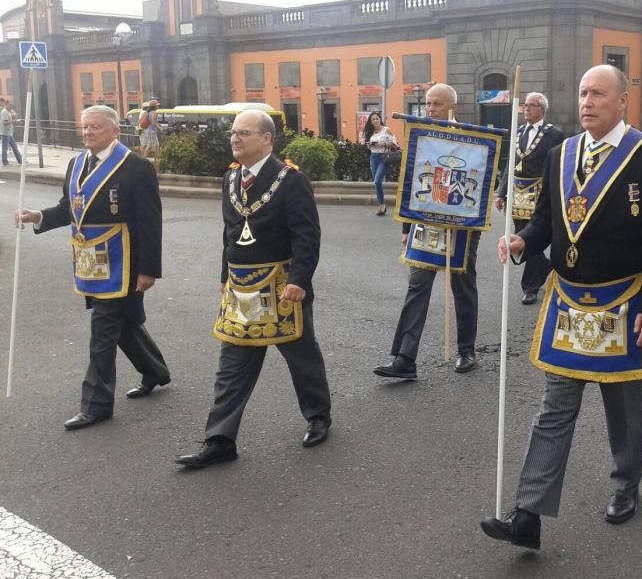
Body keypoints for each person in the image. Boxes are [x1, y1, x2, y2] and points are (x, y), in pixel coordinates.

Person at [480, 65, 642, 550]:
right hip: (568, 301)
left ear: (622, 101)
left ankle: (625, 483)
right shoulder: (560, 154)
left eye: (598, 93)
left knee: (624, 409)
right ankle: (528, 514)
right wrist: (522, 240)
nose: (587, 101)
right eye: (583, 92)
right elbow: (546, 220)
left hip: (625, 303)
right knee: (554, 410)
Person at [176, 110, 332, 468]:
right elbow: (229, 234)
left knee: (301, 357)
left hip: (281, 286)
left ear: (266, 139)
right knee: (232, 364)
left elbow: (307, 236)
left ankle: (318, 416)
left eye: (244, 133)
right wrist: (223, 275)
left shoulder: (290, 180)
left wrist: (299, 280)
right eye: (233, 133)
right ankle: (219, 440)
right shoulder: (230, 178)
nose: (235, 138)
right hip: (241, 288)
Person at [13, 106, 170, 430]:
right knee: (123, 323)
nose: (87, 133)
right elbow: (68, 209)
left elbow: (151, 222)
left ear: (114, 130)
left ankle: (96, 405)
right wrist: (38, 217)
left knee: (103, 331)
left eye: (95, 127)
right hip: (90, 262)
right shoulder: (76, 164)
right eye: (84, 127)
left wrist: (148, 269)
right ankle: (155, 371)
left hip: (122, 260)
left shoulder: (136, 167)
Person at [374, 83, 481, 378]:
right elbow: (411, 185)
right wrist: (407, 227)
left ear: (452, 107)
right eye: (428, 103)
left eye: (437, 104)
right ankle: (405, 359)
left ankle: (466, 350)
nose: (430, 109)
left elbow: (479, 181)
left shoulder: (471, 138)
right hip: (425, 223)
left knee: (463, 287)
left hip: (461, 227)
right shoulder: (420, 137)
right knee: (416, 286)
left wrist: (474, 228)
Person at [494, 92, 564, 305]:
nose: (526, 108)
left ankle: (530, 286)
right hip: (517, 193)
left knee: (533, 236)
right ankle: (544, 265)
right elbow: (510, 164)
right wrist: (501, 191)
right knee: (520, 234)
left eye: (531, 105)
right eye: (525, 105)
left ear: (542, 110)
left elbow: (557, 164)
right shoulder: (519, 131)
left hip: (539, 192)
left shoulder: (554, 134)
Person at [363, 112, 399, 216]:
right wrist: (369, 145)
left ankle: (382, 205)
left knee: (378, 180)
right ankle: (381, 205)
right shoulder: (371, 132)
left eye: (377, 118)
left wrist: (383, 143)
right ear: (371, 122)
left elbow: (395, 144)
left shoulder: (386, 130)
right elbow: (367, 145)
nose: (375, 121)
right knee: (376, 183)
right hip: (373, 157)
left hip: (384, 158)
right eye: (373, 119)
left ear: (380, 119)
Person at [138, 98, 161, 166]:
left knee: (156, 145)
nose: (158, 106)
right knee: (150, 146)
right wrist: (160, 127)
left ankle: (157, 160)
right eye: (157, 105)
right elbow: (154, 122)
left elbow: (140, 121)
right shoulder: (155, 113)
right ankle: (143, 161)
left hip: (147, 130)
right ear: (155, 106)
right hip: (152, 131)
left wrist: (158, 125)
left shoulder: (146, 112)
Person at [1, 99, 23, 166]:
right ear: (6, 104)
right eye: (10, 104)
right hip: (5, 133)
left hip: (9, 132)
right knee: (5, 147)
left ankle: (20, 160)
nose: (11, 105)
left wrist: (14, 118)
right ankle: (5, 161)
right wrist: (14, 121)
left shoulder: (8, 111)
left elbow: (13, 117)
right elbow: (5, 123)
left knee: (14, 146)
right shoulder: (4, 112)